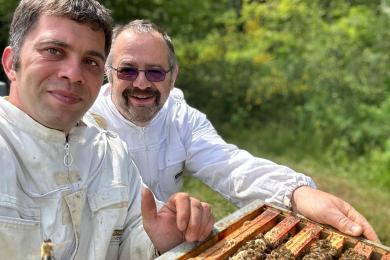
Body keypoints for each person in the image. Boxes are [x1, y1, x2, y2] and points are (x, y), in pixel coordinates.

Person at [90, 19, 380, 242]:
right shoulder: (84, 122)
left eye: (155, 72)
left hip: (170, 243)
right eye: (127, 70)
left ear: (173, 76)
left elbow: (231, 166)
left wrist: (296, 193)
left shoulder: (182, 118)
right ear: (108, 71)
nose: (141, 84)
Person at [0, 1, 214, 259]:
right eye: (54, 51)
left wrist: (159, 242)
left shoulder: (113, 153)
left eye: (90, 61)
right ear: (12, 63)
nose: (73, 74)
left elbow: (131, 237)